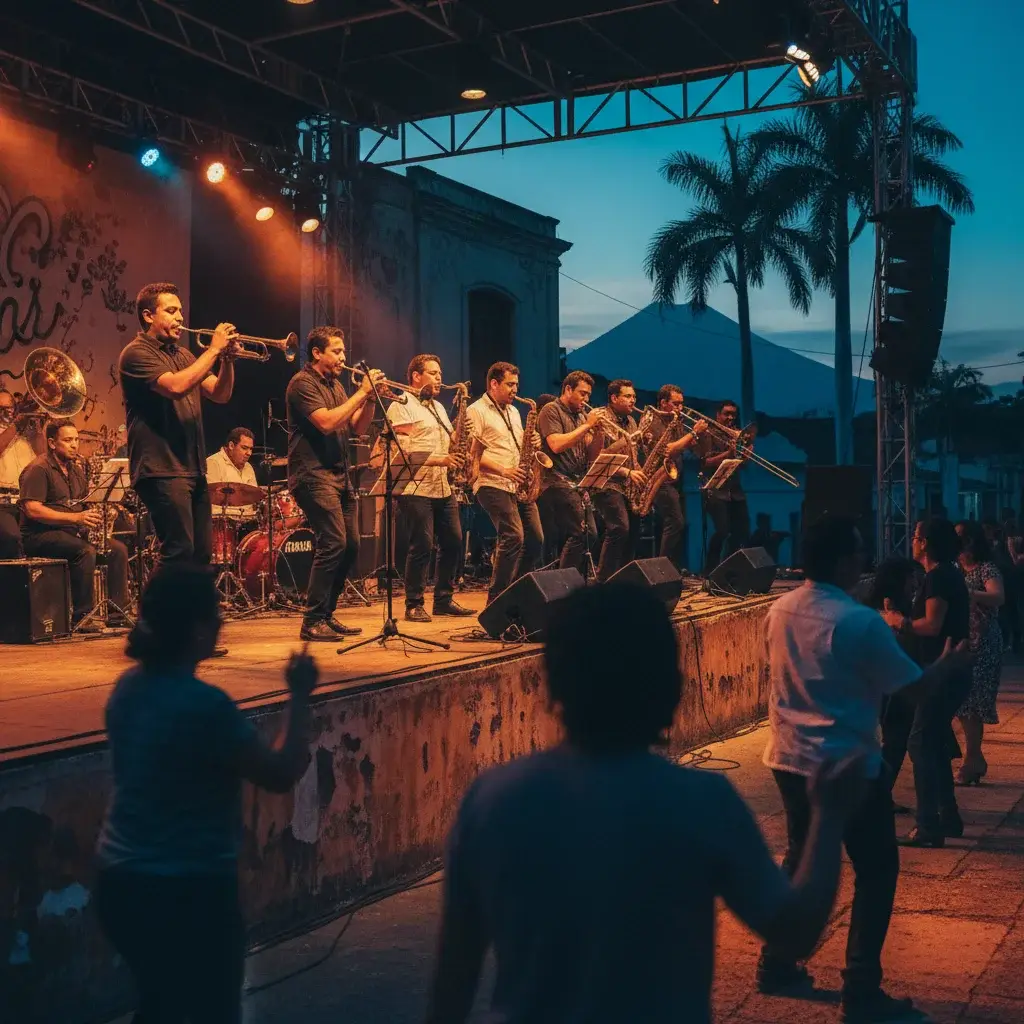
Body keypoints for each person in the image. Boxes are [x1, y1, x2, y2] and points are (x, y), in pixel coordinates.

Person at [426, 581, 864, 1024]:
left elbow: (451, 984)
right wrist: (828, 816)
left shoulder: (492, 799)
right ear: (671, 688)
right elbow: (794, 932)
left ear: (553, 684)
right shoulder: (702, 804)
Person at [760, 516, 969, 1023]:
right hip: (847, 766)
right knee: (876, 870)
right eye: (857, 552)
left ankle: (776, 962)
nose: (864, 561)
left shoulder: (779, 609)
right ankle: (860, 988)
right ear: (842, 562)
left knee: (799, 858)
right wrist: (950, 662)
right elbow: (914, 687)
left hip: (788, 758)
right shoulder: (859, 621)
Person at [94, 564, 317, 1024]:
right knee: (211, 1007)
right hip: (187, 890)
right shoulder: (204, 706)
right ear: (197, 630)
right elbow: (279, 773)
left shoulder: (127, 689)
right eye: (216, 614)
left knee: (159, 1003)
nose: (222, 622)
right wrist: (299, 697)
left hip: (120, 880)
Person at [118, 282, 238, 567]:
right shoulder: (136, 353)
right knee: (178, 551)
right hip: (161, 467)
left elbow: (219, 394)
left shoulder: (183, 355)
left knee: (201, 554)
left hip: (192, 467)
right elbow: (176, 387)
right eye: (171, 311)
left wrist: (227, 361)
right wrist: (213, 350)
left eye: (180, 311)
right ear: (149, 316)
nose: (181, 318)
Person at [286, 327, 383, 641]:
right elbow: (327, 422)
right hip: (312, 475)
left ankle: (326, 614)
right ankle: (311, 620)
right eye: (337, 351)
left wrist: (370, 399)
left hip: (340, 476)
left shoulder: (338, 386)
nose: (344, 357)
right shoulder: (302, 383)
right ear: (317, 353)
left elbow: (357, 427)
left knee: (351, 545)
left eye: (343, 351)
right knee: (334, 542)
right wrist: (361, 393)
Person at [880, 517, 971, 847]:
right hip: (945, 672)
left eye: (917, 536)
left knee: (920, 742)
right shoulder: (946, 575)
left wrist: (897, 621)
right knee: (933, 742)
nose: (913, 541)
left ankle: (928, 824)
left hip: (942, 672)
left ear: (926, 543)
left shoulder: (938, 577)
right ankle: (947, 816)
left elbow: (933, 625)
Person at [19, 421, 130, 631]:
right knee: (84, 551)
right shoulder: (38, 469)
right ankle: (83, 616)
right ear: (52, 443)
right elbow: (32, 509)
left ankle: (117, 614)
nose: (74, 445)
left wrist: (100, 513)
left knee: (117, 550)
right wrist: (76, 518)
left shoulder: (76, 470)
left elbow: (83, 503)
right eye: (68, 440)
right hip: (40, 535)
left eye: (76, 440)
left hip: (70, 533)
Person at [386, 353, 472, 622]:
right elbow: (404, 450)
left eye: (440, 374)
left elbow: (449, 442)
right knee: (422, 545)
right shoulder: (401, 405)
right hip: (415, 487)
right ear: (416, 376)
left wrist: (461, 432)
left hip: (442, 486)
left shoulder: (438, 408)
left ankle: (443, 600)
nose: (439, 378)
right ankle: (413, 603)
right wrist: (442, 459)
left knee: (454, 541)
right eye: (433, 373)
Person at [466, 361, 544, 604]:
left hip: (517, 483)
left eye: (516, 385)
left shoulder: (513, 412)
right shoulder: (476, 411)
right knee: (513, 535)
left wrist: (534, 443)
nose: (515, 390)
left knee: (536, 539)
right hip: (491, 482)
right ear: (494, 384)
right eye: (510, 385)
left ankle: (516, 593)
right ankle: (496, 600)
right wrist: (504, 470)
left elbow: (518, 445)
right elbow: (471, 454)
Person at [536, 371, 603, 575]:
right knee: (583, 533)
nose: (586, 399)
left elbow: (592, 454)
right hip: (555, 480)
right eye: (582, 393)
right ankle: (564, 581)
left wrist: (598, 433)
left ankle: (571, 579)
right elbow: (556, 444)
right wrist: (587, 426)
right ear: (567, 389)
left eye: (588, 395)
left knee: (589, 535)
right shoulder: (551, 410)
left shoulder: (581, 416)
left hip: (576, 482)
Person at [954, 520, 1004, 786]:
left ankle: (971, 760)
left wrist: (970, 593)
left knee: (973, 702)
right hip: (963, 641)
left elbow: (998, 597)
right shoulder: (954, 569)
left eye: (962, 538)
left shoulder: (986, 568)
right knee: (962, 702)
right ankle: (974, 759)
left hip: (984, 643)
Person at [586, 379, 648, 581]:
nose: (633, 400)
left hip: (628, 484)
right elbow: (597, 458)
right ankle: (603, 581)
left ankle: (622, 581)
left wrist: (640, 472)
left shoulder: (631, 421)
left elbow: (632, 455)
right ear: (614, 398)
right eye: (628, 396)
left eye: (634, 396)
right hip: (606, 483)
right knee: (619, 528)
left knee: (633, 533)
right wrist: (627, 471)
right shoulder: (601, 418)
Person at [644, 384, 706, 570]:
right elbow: (668, 450)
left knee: (679, 525)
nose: (681, 408)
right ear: (663, 403)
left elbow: (691, 450)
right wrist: (693, 432)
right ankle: (663, 569)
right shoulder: (653, 421)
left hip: (675, 479)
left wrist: (696, 439)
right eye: (676, 403)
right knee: (676, 522)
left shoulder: (676, 421)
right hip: (659, 479)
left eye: (681, 404)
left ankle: (672, 568)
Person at [697, 399, 751, 572]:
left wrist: (746, 454)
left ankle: (729, 569)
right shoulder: (708, 433)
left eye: (733, 414)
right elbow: (706, 462)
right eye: (726, 414)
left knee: (742, 530)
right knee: (722, 531)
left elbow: (743, 465)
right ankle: (710, 569)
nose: (730, 417)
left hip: (735, 490)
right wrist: (729, 453)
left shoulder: (736, 434)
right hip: (715, 490)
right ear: (718, 415)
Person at [0, 388, 39, 559]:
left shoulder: (25, 436)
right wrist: (17, 423)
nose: (5, 412)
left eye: (8, 407)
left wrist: (38, 428)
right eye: (0, 408)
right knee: (11, 538)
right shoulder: (12, 431)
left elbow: (43, 457)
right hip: (2, 505)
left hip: (26, 503)